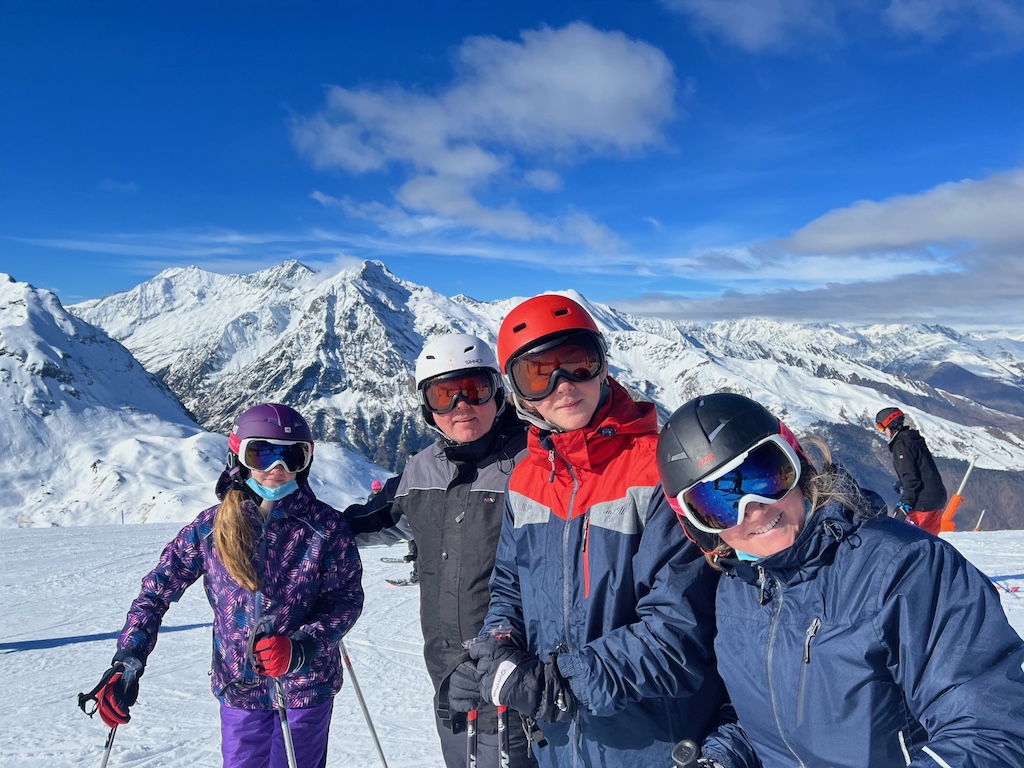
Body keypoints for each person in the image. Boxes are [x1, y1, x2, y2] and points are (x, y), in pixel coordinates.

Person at [657, 392, 1024, 767]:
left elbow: (993, 728)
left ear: (798, 465)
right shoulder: (737, 591)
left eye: (763, 476)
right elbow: (763, 717)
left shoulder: (905, 569)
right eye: (718, 505)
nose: (753, 510)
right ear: (698, 528)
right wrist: (722, 757)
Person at [448, 294, 725, 767]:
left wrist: (560, 683)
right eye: (538, 374)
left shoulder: (659, 471)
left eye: (578, 362)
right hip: (560, 745)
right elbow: (509, 590)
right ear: (516, 393)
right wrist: (496, 652)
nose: (563, 385)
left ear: (602, 364)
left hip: (654, 743)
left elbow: (679, 630)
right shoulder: (527, 481)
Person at [81, 403, 364, 768]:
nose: (277, 469)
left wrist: (303, 646)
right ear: (238, 457)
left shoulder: (326, 527)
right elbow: (155, 592)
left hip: (305, 687)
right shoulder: (211, 528)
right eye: (262, 453)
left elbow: (346, 599)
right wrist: (128, 660)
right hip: (239, 688)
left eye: (291, 456)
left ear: (306, 461)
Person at [344, 333, 533, 767]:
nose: (461, 406)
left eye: (475, 390)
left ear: (499, 393)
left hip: (516, 679)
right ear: (428, 408)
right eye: (444, 395)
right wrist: (297, 530)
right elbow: (366, 522)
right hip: (447, 675)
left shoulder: (534, 462)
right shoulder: (420, 469)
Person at [875, 406, 948, 535]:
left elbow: (912, 479)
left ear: (889, 424)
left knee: (907, 538)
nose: (882, 431)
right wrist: (901, 482)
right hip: (937, 498)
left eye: (881, 427)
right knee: (929, 539)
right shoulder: (913, 438)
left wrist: (904, 505)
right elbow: (921, 468)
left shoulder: (901, 444)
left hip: (923, 502)